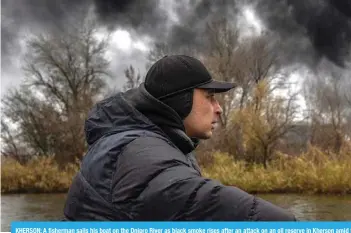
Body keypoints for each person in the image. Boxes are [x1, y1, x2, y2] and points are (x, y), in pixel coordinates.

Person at [63, 55, 297, 221]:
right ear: (180, 100)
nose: (219, 108)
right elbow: (193, 197)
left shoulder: (145, 139)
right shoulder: (136, 149)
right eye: (209, 97)